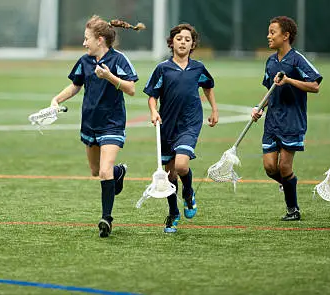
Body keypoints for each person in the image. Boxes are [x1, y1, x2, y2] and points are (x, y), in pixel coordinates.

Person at [50, 15, 145, 237]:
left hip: (112, 124)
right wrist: (56, 99)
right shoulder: (84, 61)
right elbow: (75, 86)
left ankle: (107, 219)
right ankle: (119, 172)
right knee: (96, 171)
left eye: (87, 39)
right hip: (90, 125)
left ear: (100, 39)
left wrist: (109, 76)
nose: (84, 43)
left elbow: (131, 89)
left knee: (104, 171)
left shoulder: (118, 60)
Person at [143, 23, 218, 233]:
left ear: (192, 44)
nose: (183, 42)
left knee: (182, 166)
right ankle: (173, 213)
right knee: (169, 176)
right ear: (171, 42)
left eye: (187, 39)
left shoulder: (198, 68)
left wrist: (214, 109)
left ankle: (188, 193)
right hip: (167, 124)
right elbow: (152, 96)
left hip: (190, 122)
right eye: (179, 38)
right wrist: (153, 110)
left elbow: (208, 86)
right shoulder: (163, 68)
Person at [252, 16, 322, 222]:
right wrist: (259, 108)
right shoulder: (271, 61)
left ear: (286, 35)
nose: (268, 36)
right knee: (269, 167)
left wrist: (289, 80)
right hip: (272, 121)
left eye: (272, 32)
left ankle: (293, 209)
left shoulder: (297, 59)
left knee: (284, 167)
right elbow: (269, 90)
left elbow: (315, 86)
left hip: (293, 120)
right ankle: (288, 183)